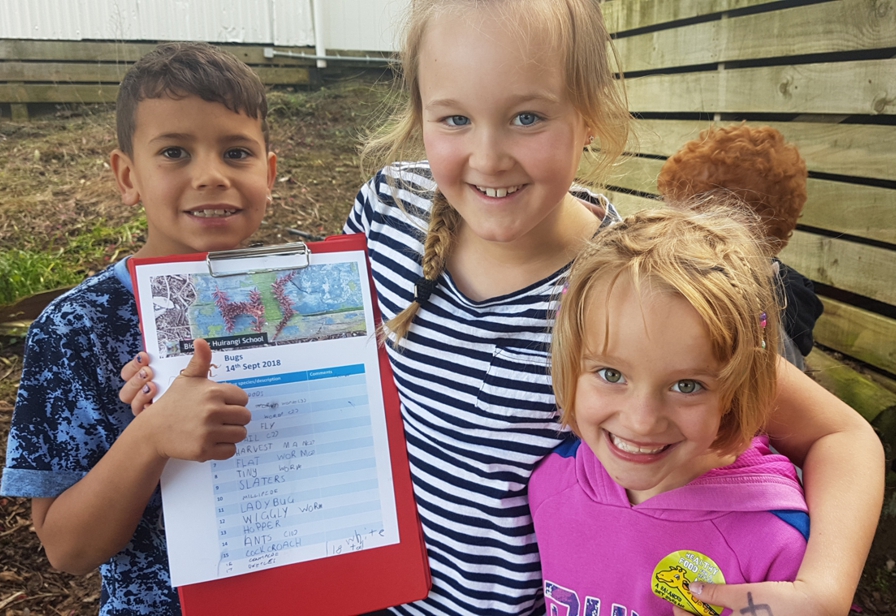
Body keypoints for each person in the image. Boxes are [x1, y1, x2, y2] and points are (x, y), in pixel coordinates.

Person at [123, 1, 883, 615]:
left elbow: (843, 435)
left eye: (527, 118)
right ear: (419, 116)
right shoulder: (386, 211)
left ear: (590, 118)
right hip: (368, 592)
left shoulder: (629, 289)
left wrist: (821, 589)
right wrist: (181, 375)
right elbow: (307, 351)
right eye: (455, 119)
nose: (488, 157)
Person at [1, 42, 277, 616]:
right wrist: (150, 438)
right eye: (174, 152)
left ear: (268, 173)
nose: (210, 176)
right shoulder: (77, 328)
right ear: (128, 176)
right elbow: (67, 548)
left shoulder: (316, 304)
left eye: (237, 152)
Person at [531, 203, 809, 615]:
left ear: (734, 389)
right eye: (610, 374)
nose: (641, 421)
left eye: (686, 386)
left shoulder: (774, 543)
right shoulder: (549, 484)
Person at [657, 123, 824, 369]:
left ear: (747, 227)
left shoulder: (759, 311)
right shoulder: (783, 292)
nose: (671, 230)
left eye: (686, 220)